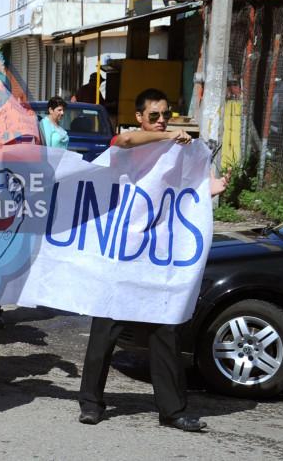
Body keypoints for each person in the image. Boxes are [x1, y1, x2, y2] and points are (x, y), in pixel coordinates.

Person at [78, 88, 227, 432]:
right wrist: (165, 136)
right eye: (155, 116)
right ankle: (91, 403)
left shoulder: (178, 153)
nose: (162, 122)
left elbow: (183, 197)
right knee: (105, 333)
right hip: (122, 257)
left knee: (166, 332)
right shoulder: (127, 147)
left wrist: (210, 189)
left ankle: (172, 411)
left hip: (159, 259)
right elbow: (125, 140)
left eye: (166, 116)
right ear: (141, 117)